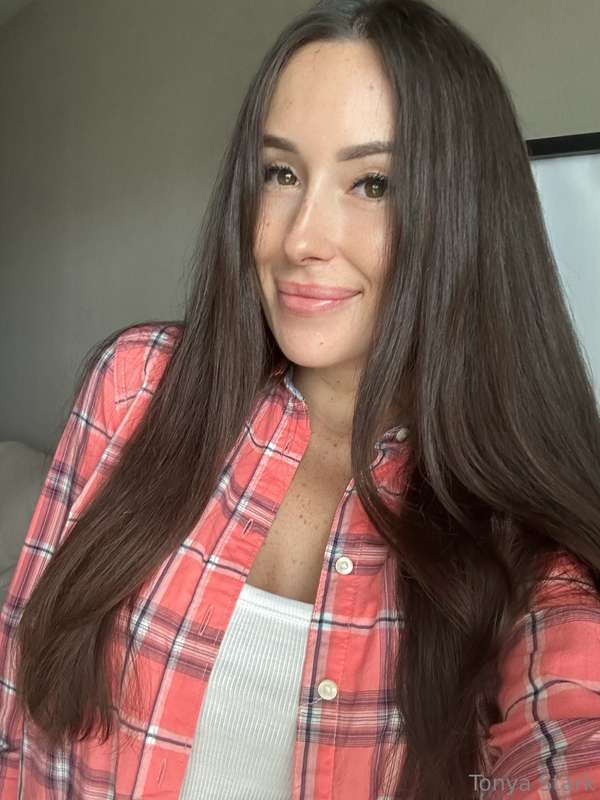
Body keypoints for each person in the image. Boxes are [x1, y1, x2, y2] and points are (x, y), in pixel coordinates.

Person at [2, 0, 600, 798]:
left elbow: (568, 738)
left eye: (373, 184)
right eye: (281, 173)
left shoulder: (526, 548)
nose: (299, 239)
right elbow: (15, 710)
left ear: (468, 216)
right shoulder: (135, 387)